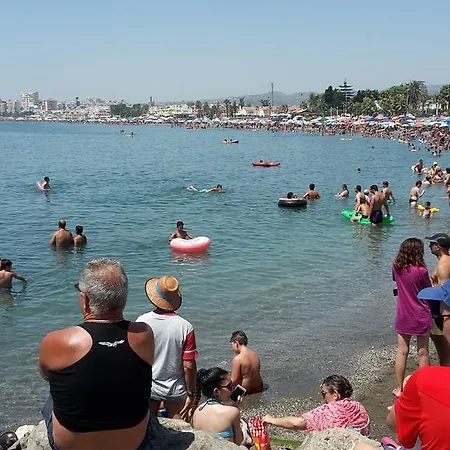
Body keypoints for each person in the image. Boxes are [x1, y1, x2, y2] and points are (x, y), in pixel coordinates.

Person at [38, 259, 154, 450]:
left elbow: (45, 375)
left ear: (85, 301)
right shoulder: (144, 334)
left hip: (71, 446)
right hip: (131, 444)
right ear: (124, 298)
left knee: (54, 393)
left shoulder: (57, 341)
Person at [137, 276, 198, 421]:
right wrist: (191, 393)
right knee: (178, 428)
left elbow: (137, 357)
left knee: (149, 427)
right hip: (175, 389)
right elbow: (188, 365)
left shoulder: (142, 322)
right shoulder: (185, 327)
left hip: (149, 386)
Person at [263, 375, 370, 436]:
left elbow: (298, 423)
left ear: (335, 395)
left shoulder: (331, 410)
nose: (323, 398)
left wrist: (272, 420)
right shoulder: (358, 407)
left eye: (324, 393)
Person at [391, 238, 432, 397]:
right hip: (421, 313)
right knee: (423, 351)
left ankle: (399, 388)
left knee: (402, 352)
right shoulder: (421, 271)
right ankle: (423, 388)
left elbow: (397, 282)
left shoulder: (396, 267)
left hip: (403, 314)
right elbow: (428, 290)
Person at [192, 367, 249, 448]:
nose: (233, 389)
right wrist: (235, 407)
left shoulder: (197, 411)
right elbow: (239, 442)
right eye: (229, 386)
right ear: (216, 392)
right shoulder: (232, 412)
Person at [426, 233, 450, 366]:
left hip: (441, 311)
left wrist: (442, 315)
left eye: (432, 244)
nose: (429, 246)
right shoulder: (446, 261)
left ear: (439, 246)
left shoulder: (443, 265)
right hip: (442, 310)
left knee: (443, 348)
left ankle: (446, 372)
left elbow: (445, 292)